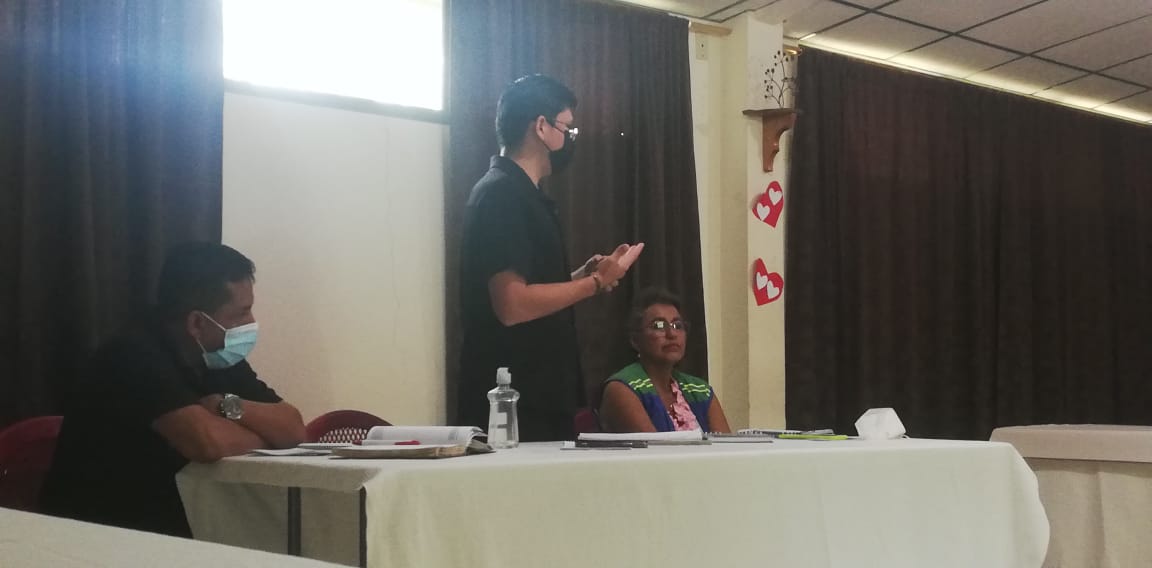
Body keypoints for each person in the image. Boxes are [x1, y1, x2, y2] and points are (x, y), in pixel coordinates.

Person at [40, 242, 306, 537]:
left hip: (176, 525)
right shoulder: (132, 355)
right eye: (242, 313)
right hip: (97, 533)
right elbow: (207, 443)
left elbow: (294, 429)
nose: (251, 323)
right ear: (196, 322)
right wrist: (267, 438)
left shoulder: (221, 358)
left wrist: (225, 406)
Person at [458, 74, 642, 441]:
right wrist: (595, 284)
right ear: (541, 127)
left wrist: (578, 277)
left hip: (539, 392)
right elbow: (512, 305)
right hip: (512, 401)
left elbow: (529, 288)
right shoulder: (502, 195)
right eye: (567, 128)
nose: (571, 138)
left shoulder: (524, 195)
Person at [598, 288, 731, 433]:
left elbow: (727, 445)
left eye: (677, 325)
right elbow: (654, 447)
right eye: (658, 326)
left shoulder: (700, 390)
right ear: (635, 340)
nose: (671, 333)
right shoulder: (622, 389)